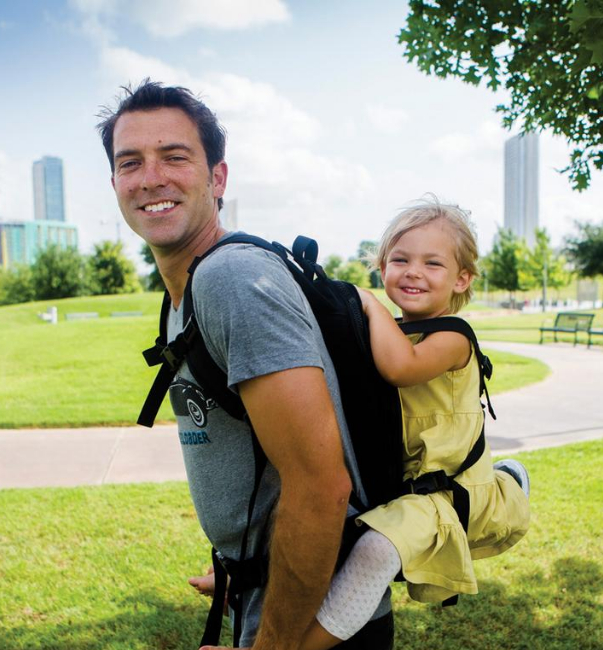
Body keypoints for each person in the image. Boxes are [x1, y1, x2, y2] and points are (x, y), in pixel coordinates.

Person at [97, 80, 392, 649]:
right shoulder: (183, 291)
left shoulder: (232, 282)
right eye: (130, 162)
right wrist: (244, 566)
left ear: (218, 178)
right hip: (275, 593)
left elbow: (320, 485)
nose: (151, 177)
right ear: (114, 183)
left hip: (320, 622)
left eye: (174, 156)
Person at [302, 199, 532, 649]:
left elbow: (401, 368)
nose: (413, 272)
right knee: (315, 520)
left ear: (461, 279)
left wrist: (366, 304)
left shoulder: (452, 336)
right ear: (382, 266)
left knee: (373, 552)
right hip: (401, 483)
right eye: (400, 260)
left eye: (432, 263)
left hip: (445, 490)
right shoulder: (387, 330)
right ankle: (241, 575)